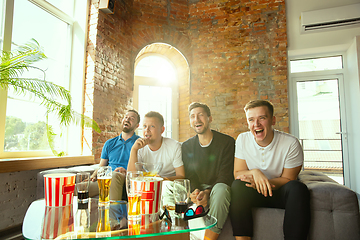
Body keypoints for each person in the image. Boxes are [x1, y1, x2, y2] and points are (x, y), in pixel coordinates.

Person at [229, 100, 310, 240]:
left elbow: (288, 178)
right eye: (251, 119)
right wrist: (255, 173)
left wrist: (265, 183)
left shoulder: (291, 143)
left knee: (298, 188)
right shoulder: (242, 139)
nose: (256, 124)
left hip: (280, 192)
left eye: (262, 118)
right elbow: (238, 173)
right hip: (253, 191)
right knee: (237, 185)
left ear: (273, 120)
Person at [182, 102, 235, 240]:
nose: (197, 119)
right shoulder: (187, 146)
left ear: (210, 118)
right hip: (198, 190)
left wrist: (208, 192)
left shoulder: (227, 142)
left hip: (218, 188)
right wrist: (195, 192)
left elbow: (226, 175)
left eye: (200, 115)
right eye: (193, 116)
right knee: (172, 188)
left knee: (221, 189)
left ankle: (209, 237)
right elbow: (190, 175)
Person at [90, 109, 141, 200]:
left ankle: (114, 213)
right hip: (106, 178)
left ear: (137, 125)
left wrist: (127, 172)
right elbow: (101, 166)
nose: (127, 119)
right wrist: (93, 175)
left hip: (124, 178)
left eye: (132, 118)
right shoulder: (109, 143)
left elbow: (142, 168)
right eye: (126, 117)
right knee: (78, 188)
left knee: (114, 176)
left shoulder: (139, 144)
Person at [127, 111, 185, 181]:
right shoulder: (139, 147)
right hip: (147, 184)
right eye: (145, 126)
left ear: (162, 130)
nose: (147, 130)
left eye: (152, 126)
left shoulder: (174, 146)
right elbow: (132, 177)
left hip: (168, 184)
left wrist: (161, 180)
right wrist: (134, 150)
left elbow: (181, 176)